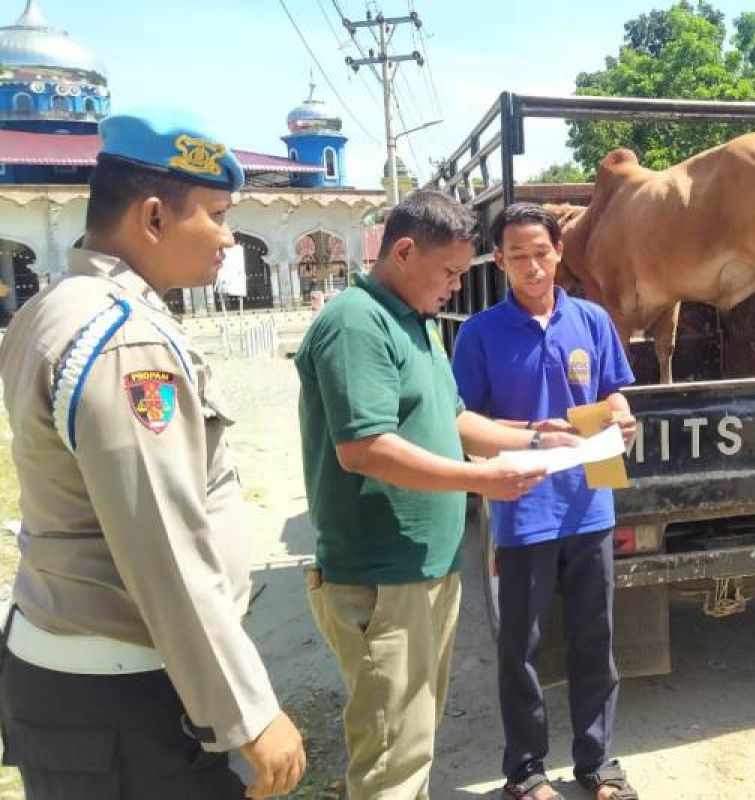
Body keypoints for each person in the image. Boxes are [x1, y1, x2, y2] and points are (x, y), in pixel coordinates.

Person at [0, 110, 305, 798]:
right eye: (218, 215)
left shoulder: (56, 306)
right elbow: (162, 545)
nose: (229, 238)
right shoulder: (123, 342)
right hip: (124, 702)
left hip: (85, 692)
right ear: (153, 219)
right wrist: (249, 713)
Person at [295, 190, 575, 800]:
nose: (455, 286)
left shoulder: (414, 322)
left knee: (410, 740)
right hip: (383, 573)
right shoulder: (355, 323)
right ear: (402, 251)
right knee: (392, 755)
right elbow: (364, 448)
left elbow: (453, 421)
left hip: (423, 570)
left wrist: (532, 437)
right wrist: (482, 480)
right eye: (449, 272)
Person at [451, 203, 639, 800]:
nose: (532, 268)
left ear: (560, 252)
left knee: (595, 640)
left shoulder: (591, 319)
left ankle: (599, 764)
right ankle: (526, 772)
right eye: (518, 257)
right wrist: (535, 432)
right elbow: (461, 422)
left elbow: (613, 395)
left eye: (542, 253)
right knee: (521, 650)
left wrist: (624, 419)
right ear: (499, 261)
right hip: (523, 508)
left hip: (592, 504)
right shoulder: (480, 334)